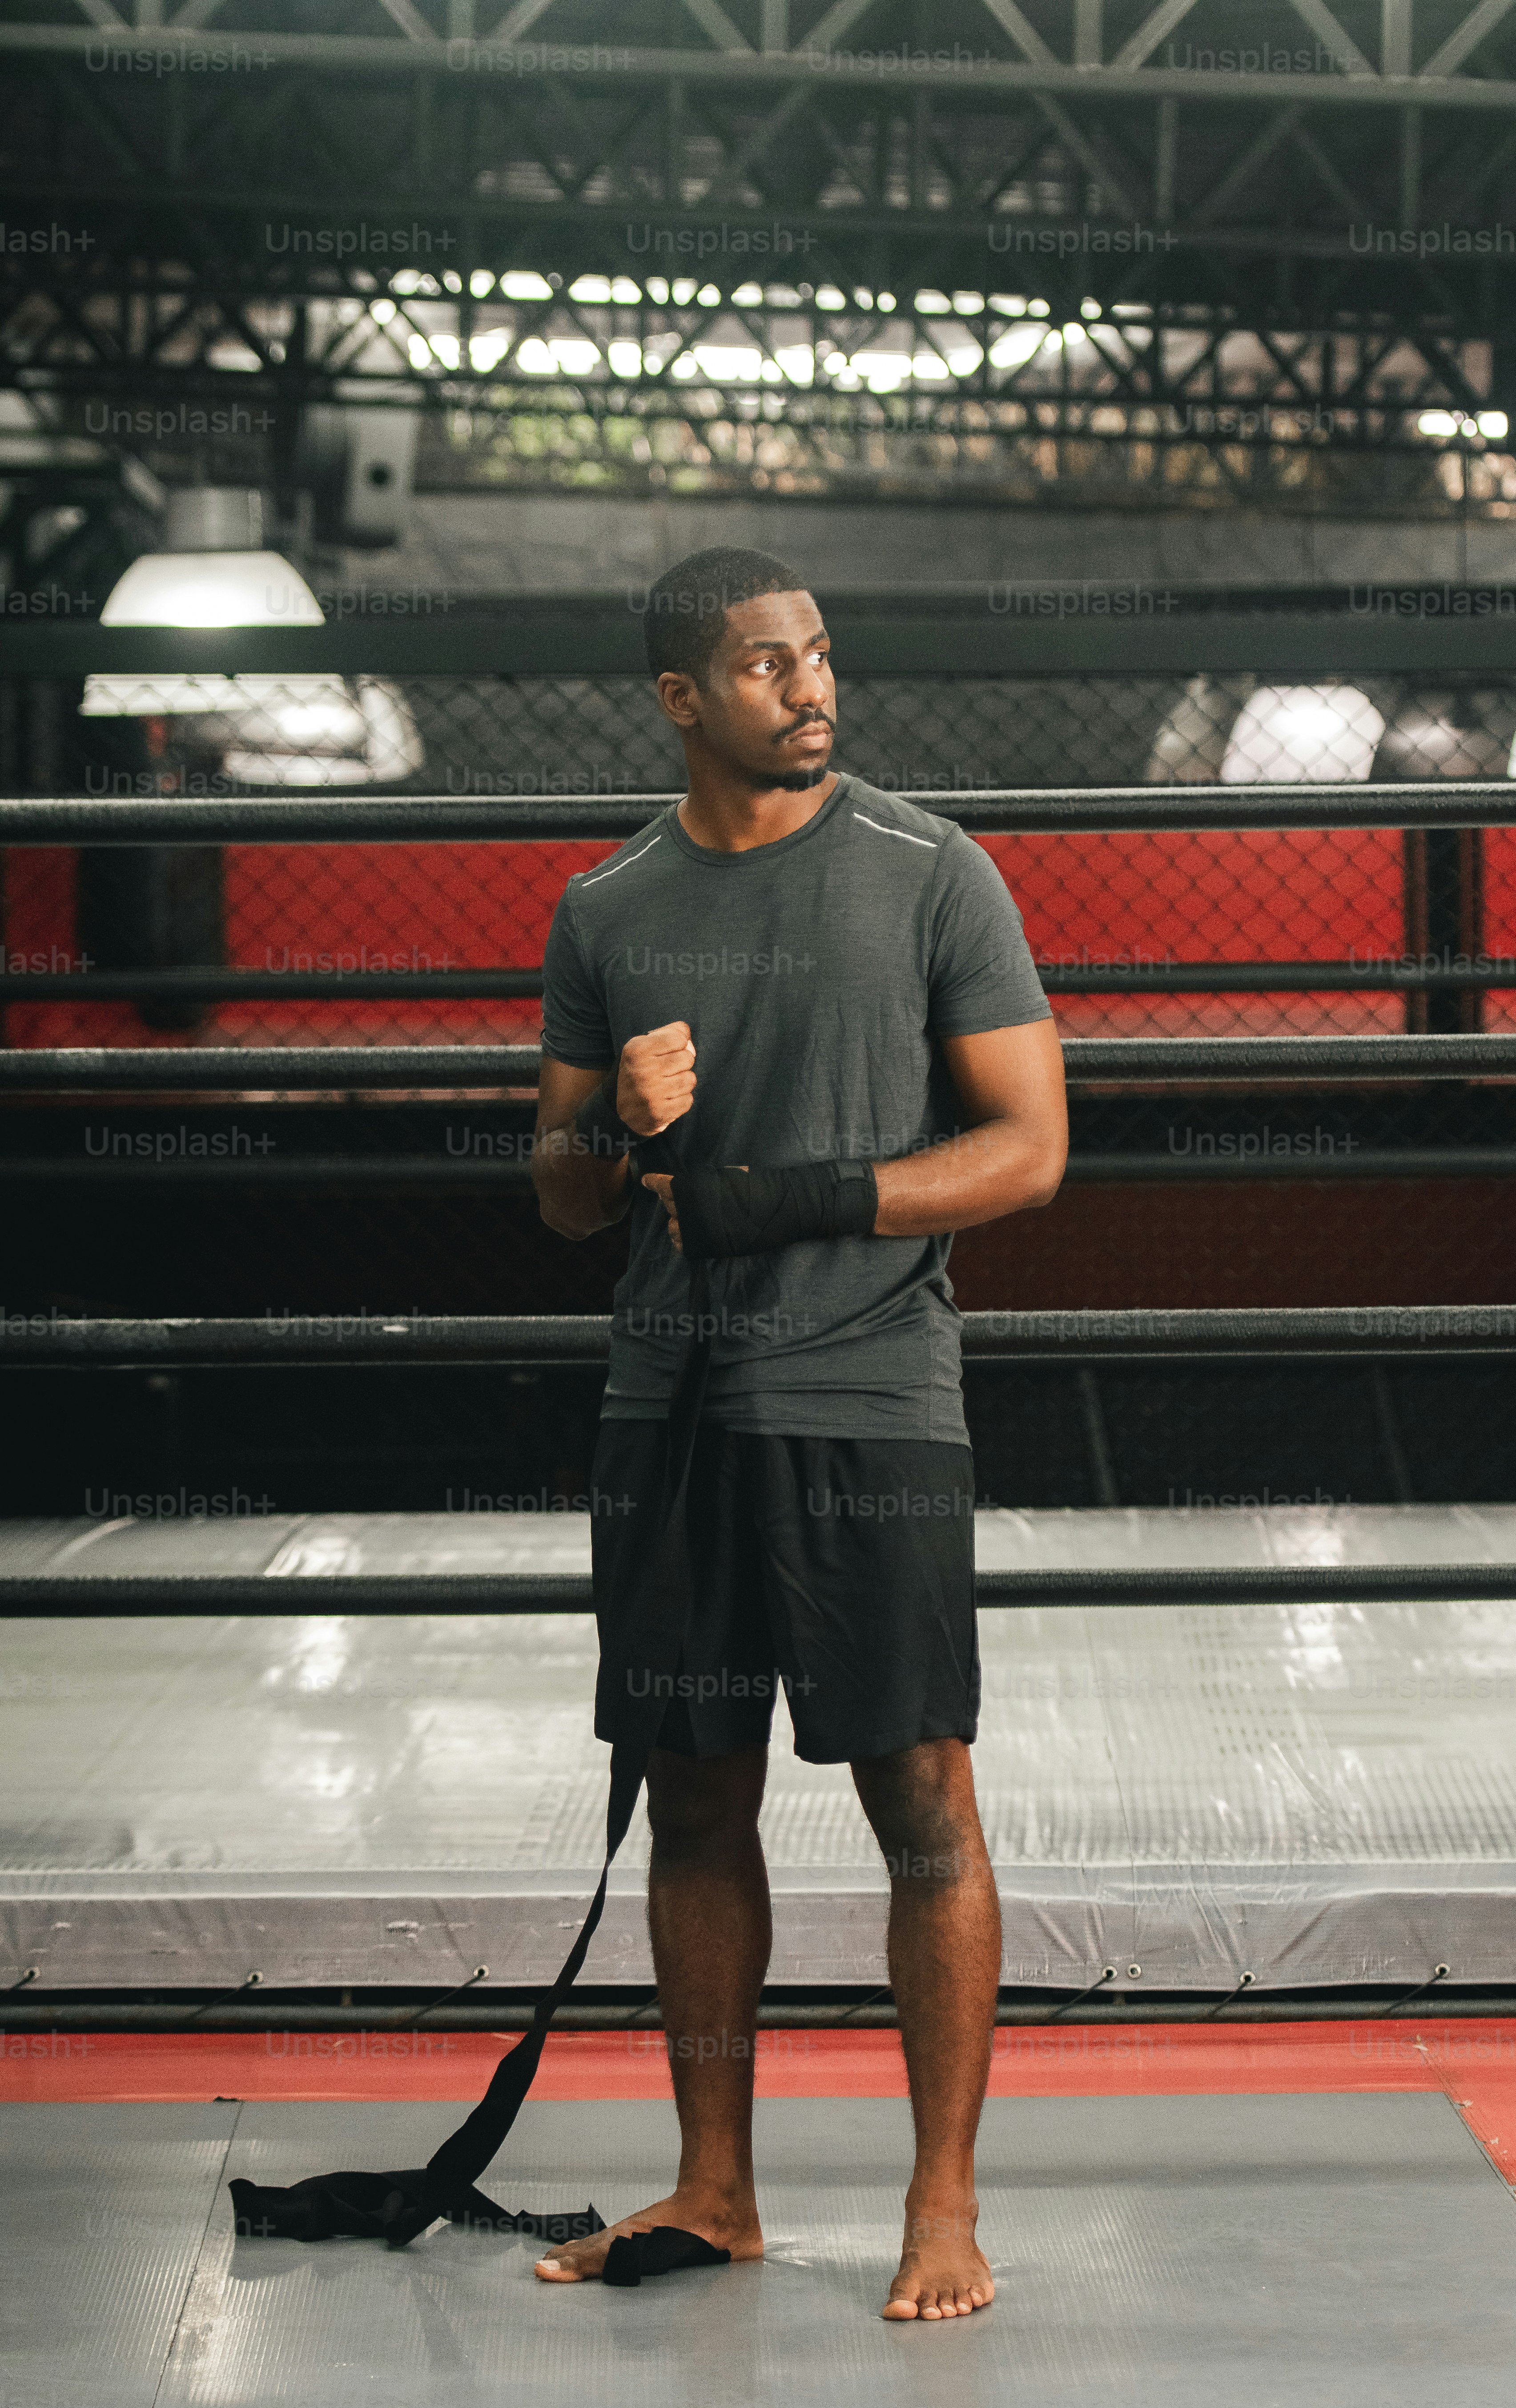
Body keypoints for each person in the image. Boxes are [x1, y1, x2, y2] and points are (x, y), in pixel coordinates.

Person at [531, 547, 1067, 2321]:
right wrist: (614, 1125)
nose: (811, 685)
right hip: (670, 1406)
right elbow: (560, 1196)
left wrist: (812, 1195)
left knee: (921, 1796)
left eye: (820, 653)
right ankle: (716, 2187)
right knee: (695, 1798)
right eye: (766, 665)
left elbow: (1031, 1148)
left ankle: (943, 2204)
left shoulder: (931, 869)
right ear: (681, 698)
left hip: (868, 1400)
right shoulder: (608, 907)